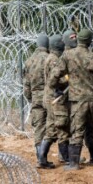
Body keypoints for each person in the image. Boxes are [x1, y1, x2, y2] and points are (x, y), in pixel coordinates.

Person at [62, 28, 93, 170]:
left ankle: (74, 163)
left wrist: (57, 86)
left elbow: (58, 71)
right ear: (90, 41)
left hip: (78, 99)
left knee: (77, 129)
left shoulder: (68, 55)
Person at [23, 35, 54, 168]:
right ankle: (59, 156)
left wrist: (31, 98)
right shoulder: (50, 59)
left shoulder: (29, 61)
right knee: (54, 125)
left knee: (39, 127)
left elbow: (26, 85)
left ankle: (40, 157)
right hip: (50, 96)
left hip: (36, 96)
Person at [44, 33, 71, 164]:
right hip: (55, 97)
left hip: (50, 96)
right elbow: (54, 80)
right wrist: (67, 78)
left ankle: (42, 158)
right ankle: (65, 157)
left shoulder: (50, 57)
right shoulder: (54, 59)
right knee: (62, 126)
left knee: (51, 128)